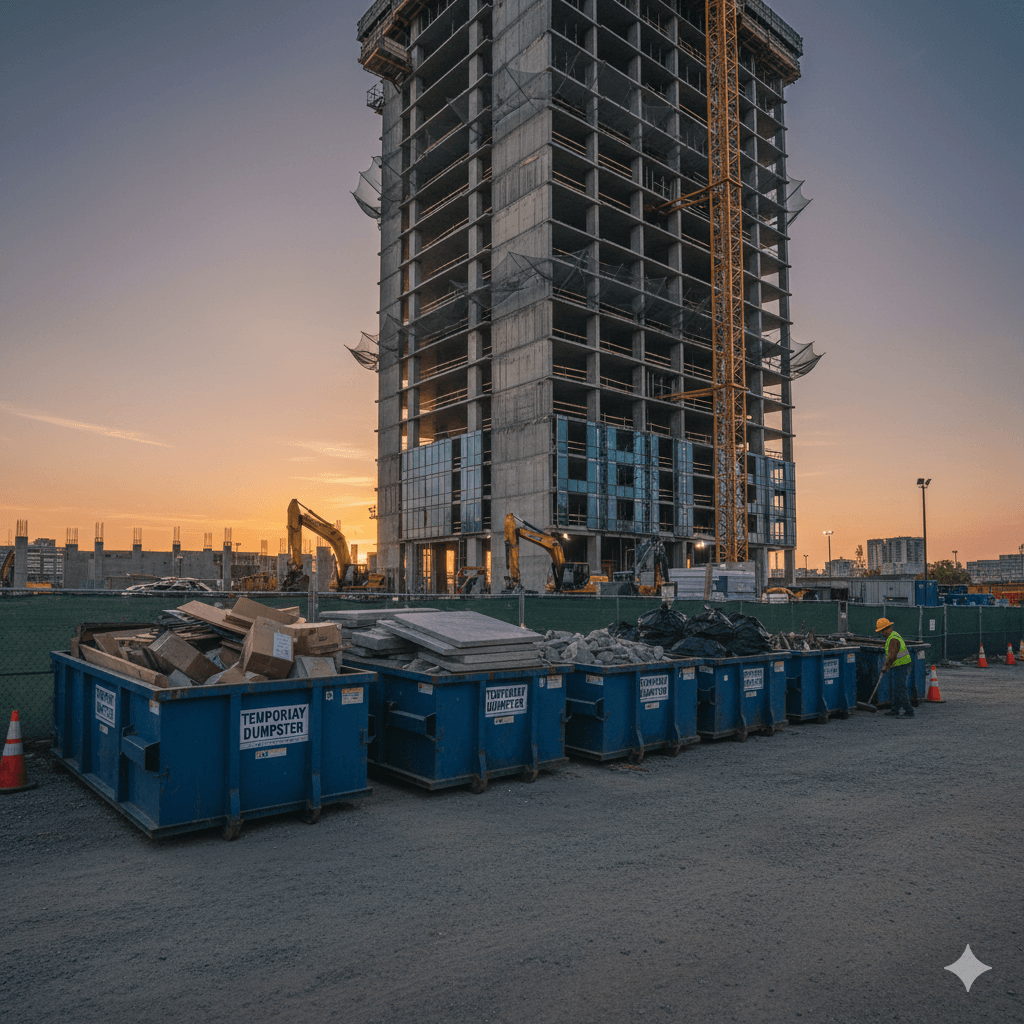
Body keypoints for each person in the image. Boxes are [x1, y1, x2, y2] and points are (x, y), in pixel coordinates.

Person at [876, 617, 914, 718]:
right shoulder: (893, 636)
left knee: (900, 688)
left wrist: (885, 666)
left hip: (901, 666)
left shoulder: (893, 638)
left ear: (888, 628)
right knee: (896, 688)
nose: (882, 633)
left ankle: (909, 711)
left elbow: (892, 655)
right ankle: (895, 709)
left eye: (882, 631)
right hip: (899, 665)